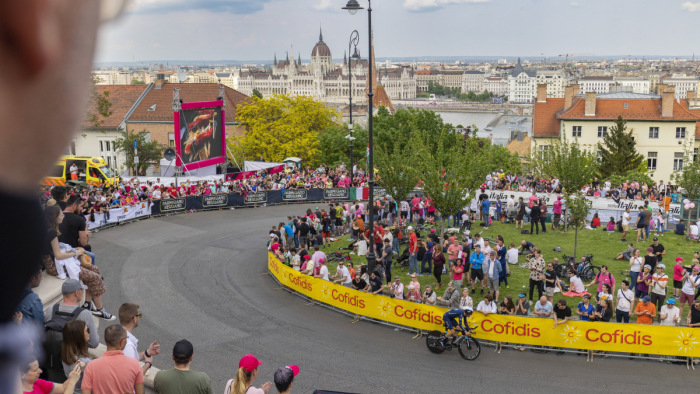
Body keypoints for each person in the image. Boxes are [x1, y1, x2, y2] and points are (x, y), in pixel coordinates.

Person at [44, 206, 113, 320]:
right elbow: (58, 255)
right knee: (95, 277)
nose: (63, 216)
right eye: (61, 214)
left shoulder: (49, 230)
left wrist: (75, 251)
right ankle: (100, 310)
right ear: (55, 218)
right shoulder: (51, 232)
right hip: (54, 266)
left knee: (94, 269)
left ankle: (87, 304)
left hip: (53, 262)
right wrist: (76, 252)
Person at [81, 325, 145, 394]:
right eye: (126, 338)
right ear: (122, 342)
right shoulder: (134, 364)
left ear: (105, 340)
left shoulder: (91, 366)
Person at [119, 303, 159, 376]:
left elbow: (132, 357)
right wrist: (147, 364)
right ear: (134, 319)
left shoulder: (118, 334)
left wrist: (146, 353)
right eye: (139, 315)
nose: (139, 318)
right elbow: (132, 377)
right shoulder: (128, 346)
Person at [60, 320, 92, 394]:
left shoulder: (66, 354)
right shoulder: (85, 361)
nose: (89, 332)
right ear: (79, 336)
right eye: (87, 330)